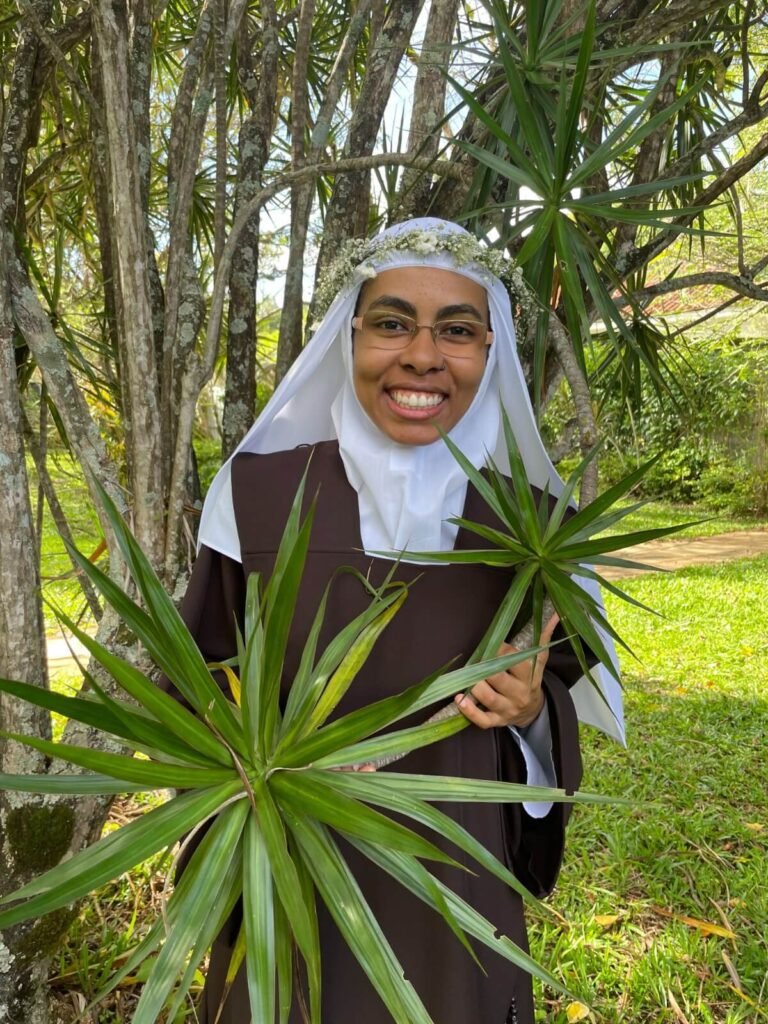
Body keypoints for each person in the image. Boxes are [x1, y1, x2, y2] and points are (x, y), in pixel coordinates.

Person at [172, 218, 624, 1023]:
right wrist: (247, 758)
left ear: (492, 352)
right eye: (391, 323)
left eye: (457, 330)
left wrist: (527, 718)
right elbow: (195, 681)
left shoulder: (536, 523)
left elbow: (557, 707)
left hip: (454, 879)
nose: (422, 356)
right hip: (288, 874)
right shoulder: (255, 495)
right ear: (349, 337)